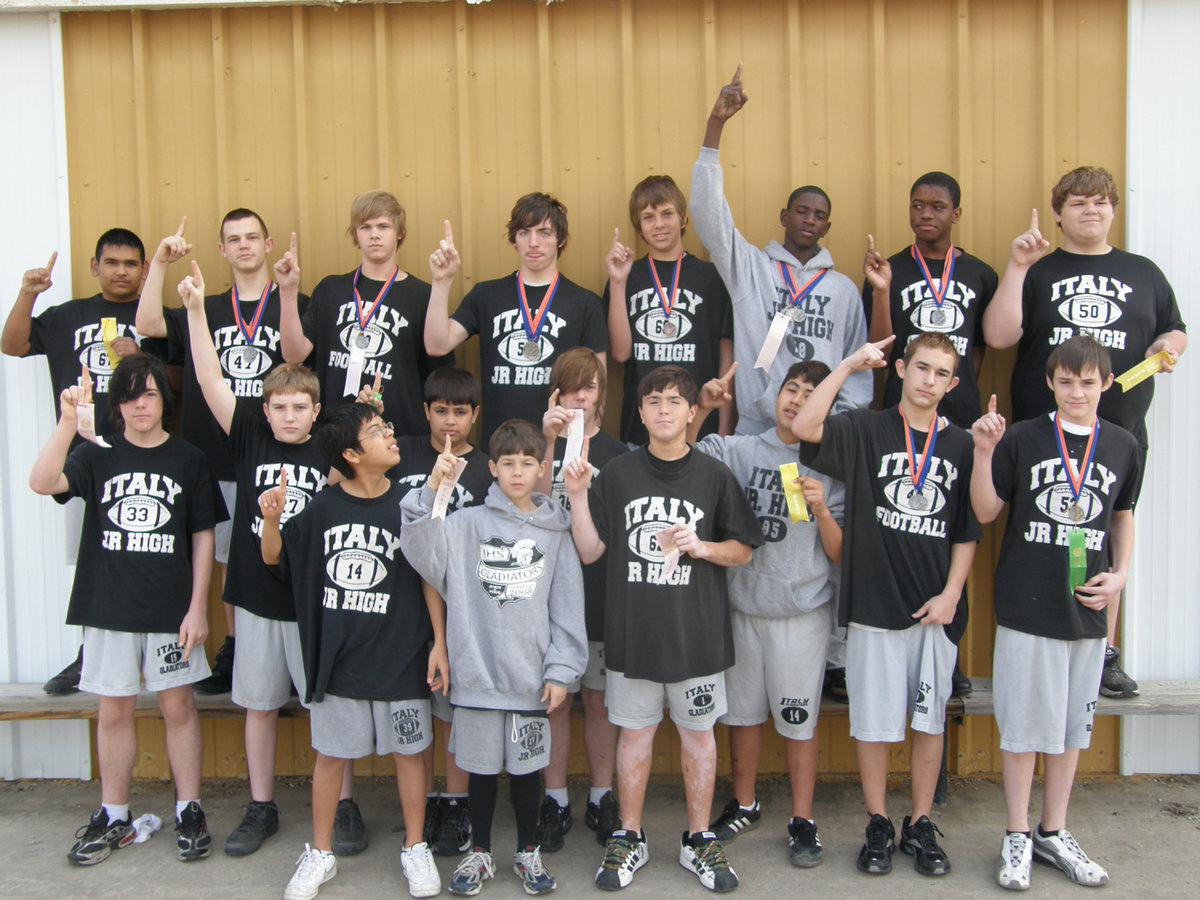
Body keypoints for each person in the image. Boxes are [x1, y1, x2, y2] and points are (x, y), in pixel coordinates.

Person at [176, 261, 362, 858]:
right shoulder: (249, 435)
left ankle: (344, 803)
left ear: (315, 411)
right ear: (266, 409)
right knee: (258, 705)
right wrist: (196, 312)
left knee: (327, 711)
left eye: (298, 408)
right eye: (278, 407)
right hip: (256, 600)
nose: (288, 417)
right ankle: (261, 806)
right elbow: (208, 380)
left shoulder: (334, 448)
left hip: (317, 602)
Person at [981, 166, 1186, 698]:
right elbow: (999, 335)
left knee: (1106, 537)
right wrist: (1017, 265)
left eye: (1099, 202)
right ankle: (1033, 636)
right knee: (1041, 530)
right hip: (1042, 434)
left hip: (1117, 433)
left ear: (1114, 210)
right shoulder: (1040, 270)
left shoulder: (1144, 272)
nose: (1090, 211)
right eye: (1077, 203)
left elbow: (1175, 327)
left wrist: (1171, 346)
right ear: (1058, 213)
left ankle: (1104, 650)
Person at [563, 366, 763, 893]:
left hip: (696, 637)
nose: (665, 410)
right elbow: (589, 551)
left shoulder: (715, 476)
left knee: (700, 739)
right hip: (634, 636)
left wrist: (704, 548)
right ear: (642, 412)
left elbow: (743, 550)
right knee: (635, 738)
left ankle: (698, 838)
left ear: (693, 411)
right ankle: (631, 834)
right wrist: (579, 496)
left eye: (675, 401)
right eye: (653, 402)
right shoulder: (619, 475)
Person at [791, 333, 980, 879]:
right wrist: (850, 364)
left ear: (952, 383)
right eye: (921, 368)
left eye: (941, 373)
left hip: (934, 610)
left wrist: (951, 595)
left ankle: (919, 823)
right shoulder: (868, 428)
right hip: (874, 603)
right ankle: (878, 822)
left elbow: (967, 532)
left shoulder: (962, 445)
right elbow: (805, 427)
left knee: (928, 722)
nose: (929, 381)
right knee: (872, 725)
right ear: (900, 368)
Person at [29, 354, 225, 865]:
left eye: (151, 394)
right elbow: (42, 482)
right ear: (116, 404)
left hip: (169, 611)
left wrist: (197, 608)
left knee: (178, 708)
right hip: (108, 607)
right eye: (131, 395)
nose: (141, 404)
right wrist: (69, 423)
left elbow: (203, 536)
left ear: (165, 401)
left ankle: (189, 808)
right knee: (112, 709)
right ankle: (114, 812)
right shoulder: (96, 454)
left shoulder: (188, 458)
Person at [970, 335, 1140, 890]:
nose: (1076, 391)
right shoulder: (1023, 438)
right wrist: (983, 451)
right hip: (1027, 605)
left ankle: (1053, 830)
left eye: (1088, 382)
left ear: (1106, 384)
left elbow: (1123, 516)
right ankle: (1017, 833)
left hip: (1087, 610)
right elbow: (987, 510)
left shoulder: (1122, 444)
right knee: (1022, 730)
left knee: (1070, 732)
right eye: (1065, 381)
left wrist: (1120, 575)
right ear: (1050, 382)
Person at [261, 403, 441, 900]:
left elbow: (429, 576)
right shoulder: (321, 509)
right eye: (378, 430)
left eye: (387, 426)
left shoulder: (409, 503)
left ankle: (415, 846)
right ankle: (320, 853)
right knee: (331, 757)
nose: (390, 434)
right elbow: (276, 558)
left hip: (401, 654)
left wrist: (440, 644)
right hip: (339, 661)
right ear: (350, 453)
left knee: (411, 754)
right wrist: (271, 521)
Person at [400, 419, 588, 896]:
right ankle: (479, 854)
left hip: (530, 678)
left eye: (528, 463)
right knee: (480, 772)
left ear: (543, 467)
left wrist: (561, 670)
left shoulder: (555, 532)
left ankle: (528, 853)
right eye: (509, 463)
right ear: (492, 469)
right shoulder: (465, 525)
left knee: (528, 774)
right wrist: (432, 485)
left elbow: (567, 606)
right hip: (477, 674)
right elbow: (421, 551)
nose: (518, 472)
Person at [138, 212, 311, 695]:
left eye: (253, 237)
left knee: (279, 547)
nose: (244, 246)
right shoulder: (205, 303)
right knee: (228, 553)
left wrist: (290, 292)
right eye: (233, 239)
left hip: (273, 453)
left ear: (269, 242)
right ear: (221, 250)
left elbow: (299, 356)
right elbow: (147, 322)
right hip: (211, 451)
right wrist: (160, 264)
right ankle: (237, 647)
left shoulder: (294, 300)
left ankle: (291, 650)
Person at [687, 360, 843, 868]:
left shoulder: (832, 463)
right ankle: (746, 803)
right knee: (743, 716)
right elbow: (684, 455)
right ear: (774, 396)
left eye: (809, 394)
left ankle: (802, 819)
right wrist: (704, 411)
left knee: (798, 722)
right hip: (742, 607)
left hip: (801, 612)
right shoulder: (742, 448)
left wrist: (821, 510)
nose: (796, 401)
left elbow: (841, 554)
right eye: (790, 390)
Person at [862, 170, 998, 698]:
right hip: (901, 420)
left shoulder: (981, 274)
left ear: (956, 214)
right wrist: (879, 294)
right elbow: (879, 351)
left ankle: (949, 648)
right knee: (903, 528)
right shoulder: (890, 269)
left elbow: (981, 349)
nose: (925, 215)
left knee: (952, 538)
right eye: (917, 205)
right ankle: (894, 643)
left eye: (937, 206)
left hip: (956, 424)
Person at [3, 228, 151, 696]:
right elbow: (12, 344)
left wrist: (144, 354)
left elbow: (186, 378)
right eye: (112, 262)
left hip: (149, 457)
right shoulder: (68, 316)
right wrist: (27, 294)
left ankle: (163, 653)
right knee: (94, 561)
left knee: (153, 556)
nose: (121, 271)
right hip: (85, 459)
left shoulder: (155, 319)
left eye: (130, 264)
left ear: (144, 270)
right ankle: (92, 655)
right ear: (95, 266)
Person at [691, 64, 870, 434]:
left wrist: (835, 421)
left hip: (819, 433)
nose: (809, 220)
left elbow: (858, 365)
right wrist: (715, 127)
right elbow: (711, 221)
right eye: (801, 211)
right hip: (757, 431)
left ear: (827, 227)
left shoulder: (844, 291)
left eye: (819, 216)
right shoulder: (752, 270)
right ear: (784, 217)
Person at [387, 365, 494, 856]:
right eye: (440, 410)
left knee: (451, 707)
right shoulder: (401, 452)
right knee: (413, 705)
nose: (449, 421)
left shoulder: (490, 467)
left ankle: (455, 801)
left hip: (459, 606)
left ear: (475, 414)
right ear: (426, 410)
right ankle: (426, 797)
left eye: (460, 411)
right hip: (396, 599)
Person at [533, 348, 629, 852]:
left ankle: (600, 796)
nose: (578, 396)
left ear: (601, 396)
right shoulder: (535, 444)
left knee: (597, 700)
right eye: (570, 387)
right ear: (555, 392)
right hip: (544, 595)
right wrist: (548, 440)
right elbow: (530, 505)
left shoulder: (617, 453)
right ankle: (554, 800)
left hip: (599, 594)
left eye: (588, 387)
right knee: (554, 702)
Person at [423, 195, 608, 446]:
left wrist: (585, 446)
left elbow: (599, 388)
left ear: (560, 239)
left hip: (559, 445)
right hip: (500, 448)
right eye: (524, 233)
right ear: (514, 240)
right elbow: (437, 345)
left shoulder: (585, 303)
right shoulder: (487, 295)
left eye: (544, 233)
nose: (533, 243)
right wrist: (441, 282)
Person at [280, 189, 453, 431]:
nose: (374, 235)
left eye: (383, 227)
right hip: (334, 431)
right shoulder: (330, 289)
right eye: (365, 227)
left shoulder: (423, 295)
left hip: (398, 434)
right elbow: (293, 355)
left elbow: (440, 376)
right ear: (355, 234)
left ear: (399, 232)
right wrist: (287, 292)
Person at [604, 174, 734, 444]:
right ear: (638, 226)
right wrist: (617, 283)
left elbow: (726, 356)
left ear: (684, 218)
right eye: (648, 217)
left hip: (701, 425)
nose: (659, 224)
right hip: (641, 428)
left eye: (667, 214)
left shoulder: (711, 277)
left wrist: (724, 428)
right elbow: (620, 352)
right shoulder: (627, 276)